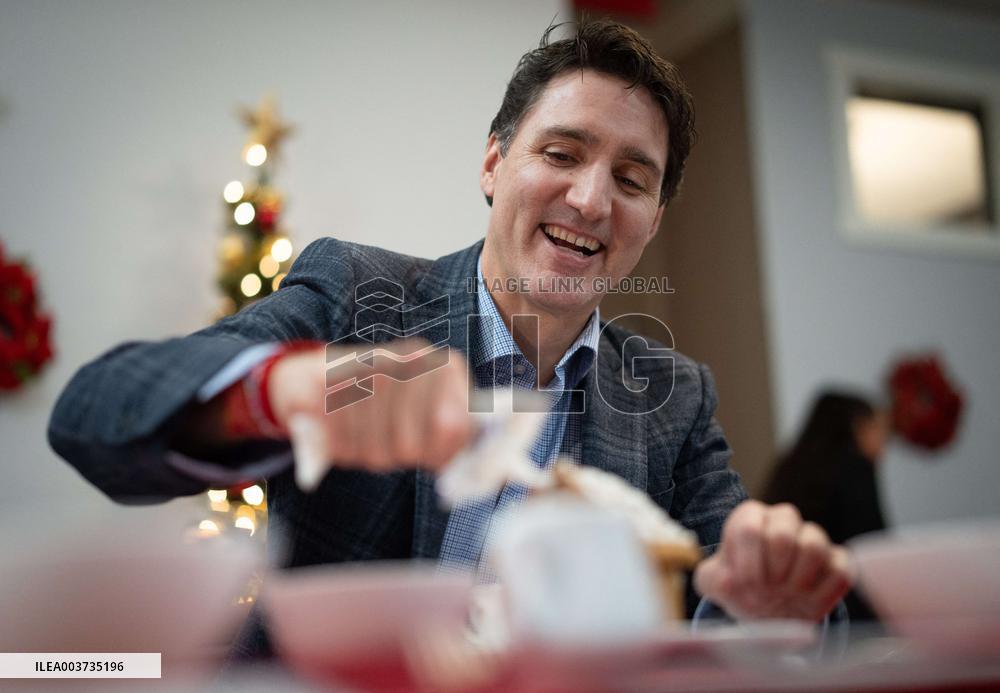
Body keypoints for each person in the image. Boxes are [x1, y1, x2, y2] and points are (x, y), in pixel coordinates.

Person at [48, 19, 850, 654]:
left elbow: (744, 608)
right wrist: (286, 386)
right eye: (561, 153)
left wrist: (771, 611)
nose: (591, 198)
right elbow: (93, 415)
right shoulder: (360, 294)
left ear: (654, 219)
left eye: (631, 179)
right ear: (494, 163)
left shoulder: (672, 396)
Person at [763, 391, 890, 621]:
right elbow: (873, 544)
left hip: (788, 606)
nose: (884, 443)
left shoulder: (791, 468)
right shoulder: (855, 468)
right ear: (858, 426)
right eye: (878, 429)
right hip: (845, 605)